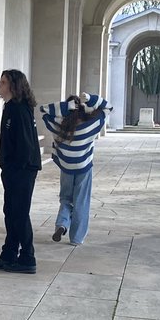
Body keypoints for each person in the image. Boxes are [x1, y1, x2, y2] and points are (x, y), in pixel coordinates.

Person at [0, 68, 42, 274]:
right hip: (15, 169)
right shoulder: (11, 107)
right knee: (11, 212)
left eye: (2, 82)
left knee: (18, 213)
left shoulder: (19, 109)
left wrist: (12, 167)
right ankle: (9, 254)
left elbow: (25, 145)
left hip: (22, 170)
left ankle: (27, 257)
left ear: (12, 86)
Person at [39, 92, 110, 246]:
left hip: (66, 167)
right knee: (81, 201)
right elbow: (107, 107)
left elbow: (44, 110)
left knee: (65, 198)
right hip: (84, 167)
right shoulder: (90, 126)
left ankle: (62, 224)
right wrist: (90, 99)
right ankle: (76, 238)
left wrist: (67, 107)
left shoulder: (58, 127)